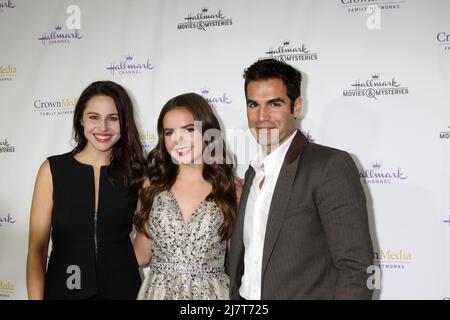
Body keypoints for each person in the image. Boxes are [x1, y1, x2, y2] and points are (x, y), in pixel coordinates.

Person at [228, 59, 374, 300]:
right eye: (253, 105)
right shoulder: (252, 173)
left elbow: (356, 268)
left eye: (274, 104)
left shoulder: (329, 166)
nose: (262, 116)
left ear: (296, 107)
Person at [26, 81, 147, 300]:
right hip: (63, 290)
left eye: (113, 118)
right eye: (94, 117)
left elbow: (146, 248)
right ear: (81, 119)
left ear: (124, 123)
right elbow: (37, 249)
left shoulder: (138, 173)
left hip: (123, 290)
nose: (103, 127)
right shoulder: (53, 170)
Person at [133, 92, 241, 300]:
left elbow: (239, 259)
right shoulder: (152, 186)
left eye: (189, 130)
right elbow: (142, 254)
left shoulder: (230, 188)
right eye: (169, 132)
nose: (177, 140)